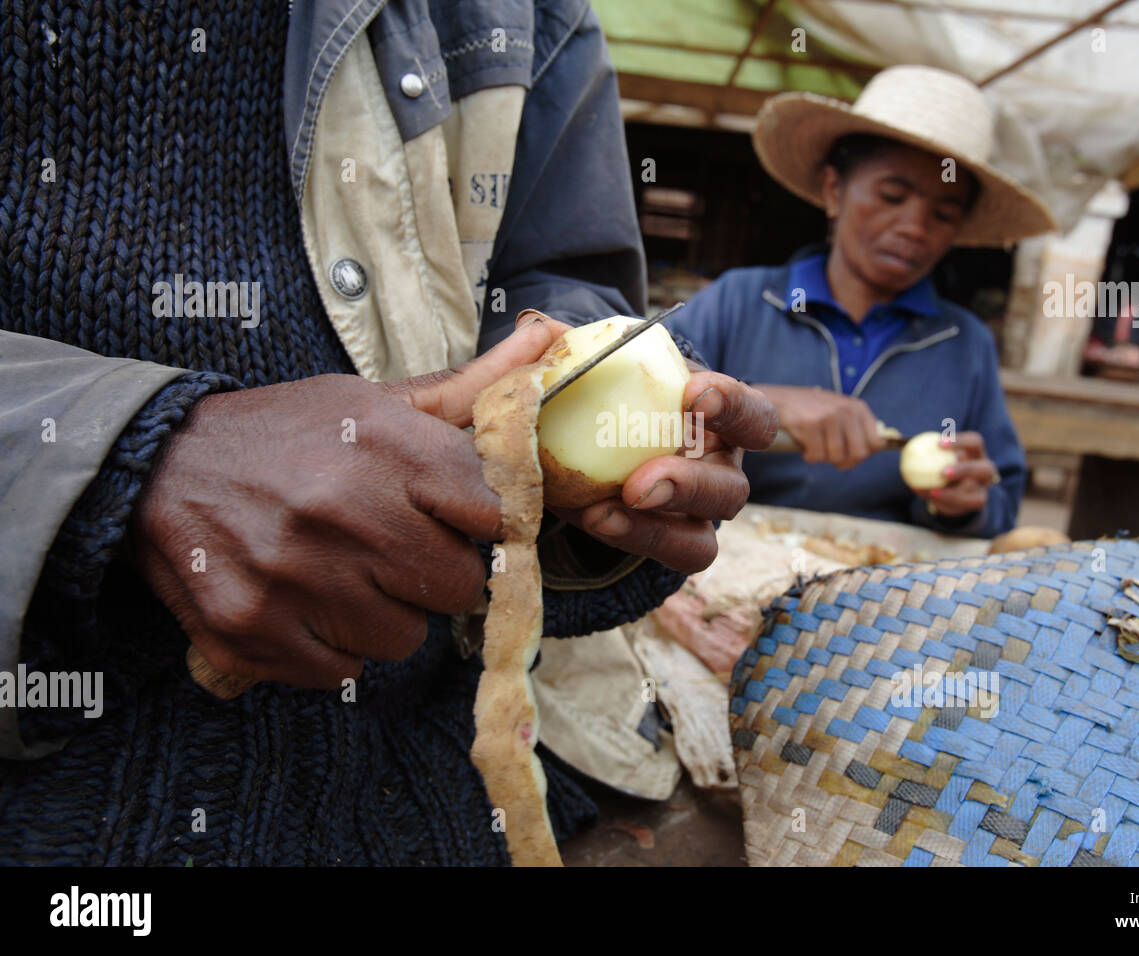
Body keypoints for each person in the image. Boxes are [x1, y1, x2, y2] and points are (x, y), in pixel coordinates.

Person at [0, 0, 774, 865]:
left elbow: (561, 287)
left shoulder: (534, 16)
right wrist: (131, 456)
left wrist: (610, 459)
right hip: (72, 795)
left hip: (438, 776)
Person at [665, 66, 1057, 537]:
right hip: (723, 558)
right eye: (892, 196)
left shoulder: (964, 345)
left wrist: (962, 504)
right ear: (834, 191)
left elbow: (1001, 504)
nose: (914, 227)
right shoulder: (740, 301)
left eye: (943, 213)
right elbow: (640, 420)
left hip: (885, 581)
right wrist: (758, 403)